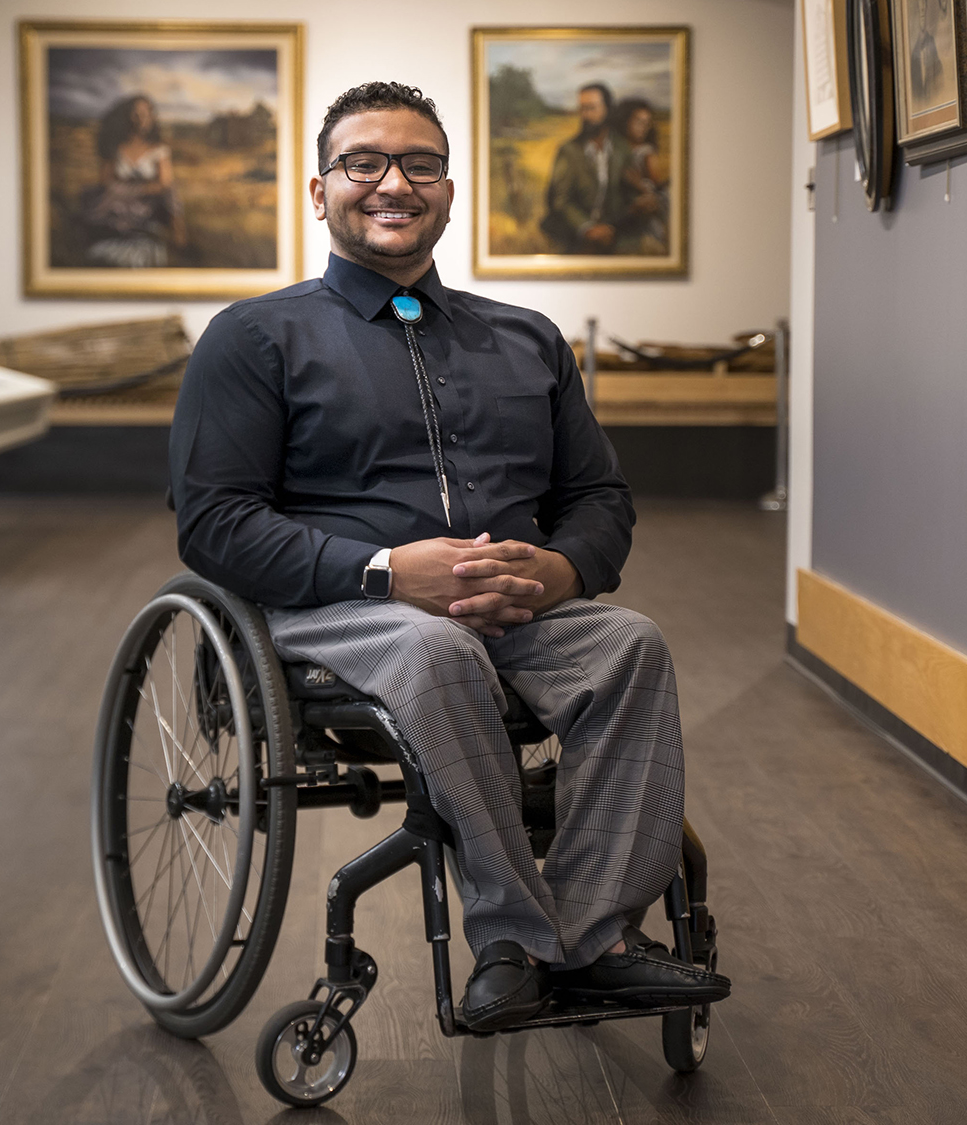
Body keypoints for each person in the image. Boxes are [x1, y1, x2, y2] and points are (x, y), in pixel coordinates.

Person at [171, 81, 730, 1031]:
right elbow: (215, 523)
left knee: (630, 643)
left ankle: (596, 937)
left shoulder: (528, 339)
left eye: (419, 164)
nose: (393, 182)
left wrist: (559, 572)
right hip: (334, 610)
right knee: (435, 650)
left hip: (517, 608)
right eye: (364, 163)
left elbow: (598, 500)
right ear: (320, 191)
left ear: (448, 187)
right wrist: (388, 571)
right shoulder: (256, 338)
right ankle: (512, 937)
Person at [81, 94, 185, 268]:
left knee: (171, 194)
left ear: (151, 117)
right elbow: (105, 182)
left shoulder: (159, 149)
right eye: (136, 114)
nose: (141, 119)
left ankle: (178, 235)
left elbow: (164, 184)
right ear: (127, 117)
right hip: (116, 205)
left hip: (145, 207)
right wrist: (124, 190)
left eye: (145, 114)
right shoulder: (117, 148)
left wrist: (130, 189)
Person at [539, 83, 633, 254]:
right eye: (582, 109)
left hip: (614, 231)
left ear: (608, 110)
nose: (586, 115)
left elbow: (626, 192)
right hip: (574, 234)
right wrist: (587, 228)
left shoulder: (621, 148)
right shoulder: (569, 151)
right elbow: (560, 201)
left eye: (591, 108)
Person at [613, 96, 669, 254]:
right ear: (625, 121)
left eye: (647, 123)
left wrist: (638, 185)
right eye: (638, 121)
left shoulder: (646, 153)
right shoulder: (616, 149)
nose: (643, 127)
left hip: (644, 221)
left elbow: (659, 193)